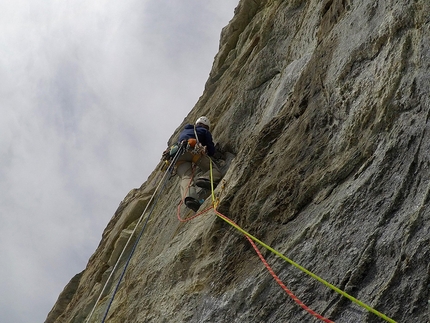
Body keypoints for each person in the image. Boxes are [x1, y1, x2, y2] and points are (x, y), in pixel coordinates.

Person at [172, 116, 222, 211]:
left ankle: (190, 198)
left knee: (186, 177)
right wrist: (212, 152)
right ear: (206, 126)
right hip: (194, 151)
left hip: (179, 156)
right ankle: (204, 179)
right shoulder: (204, 131)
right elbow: (210, 149)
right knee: (214, 169)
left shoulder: (185, 131)